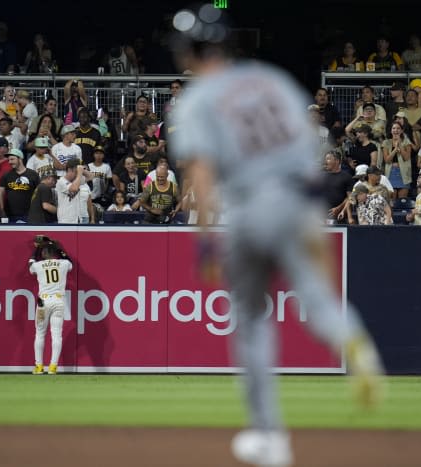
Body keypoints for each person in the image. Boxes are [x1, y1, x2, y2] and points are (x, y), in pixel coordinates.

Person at [168, 5, 383, 467]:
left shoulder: (197, 100)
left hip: (251, 205)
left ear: (187, 50)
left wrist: (206, 241)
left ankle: (269, 436)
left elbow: (202, 174)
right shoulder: (272, 81)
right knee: (317, 297)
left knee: (250, 319)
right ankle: (355, 341)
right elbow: (312, 150)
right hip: (300, 200)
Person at [29, 236, 73, 375]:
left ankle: (39, 367)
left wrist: (37, 249)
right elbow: (69, 261)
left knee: (40, 333)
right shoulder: (63, 263)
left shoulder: (38, 265)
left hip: (43, 303)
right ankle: (53, 367)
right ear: (54, 253)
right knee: (57, 335)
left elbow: (30, 265)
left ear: (42, 254)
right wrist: (58, 247)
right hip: (58, 302)